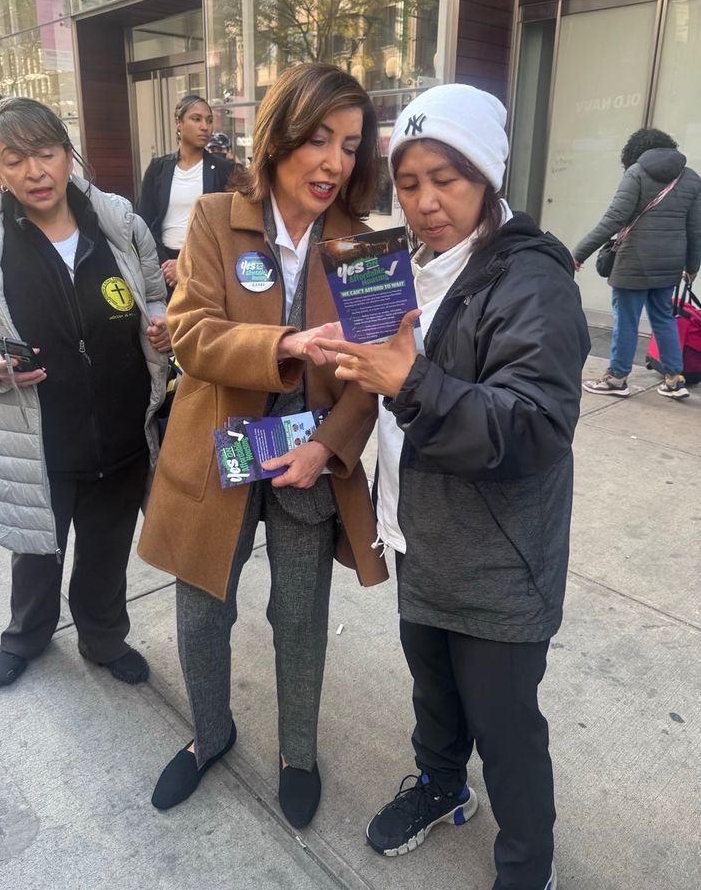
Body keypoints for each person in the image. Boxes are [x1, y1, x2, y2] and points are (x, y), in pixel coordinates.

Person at [314, 84, 590, 890]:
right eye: (409, 182)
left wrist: (411, 381)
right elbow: (396, 377)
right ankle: (441, 787)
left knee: (506, 730)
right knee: (434, 696)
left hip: (501, 561)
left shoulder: (532, 280)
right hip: (420, 536)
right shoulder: (410, 265)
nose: (427, 202)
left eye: (449, 179)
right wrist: (360, 361)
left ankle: (525, 866)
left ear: (488, 178)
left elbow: (534, 426)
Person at [138, 62, 388, 825]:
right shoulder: (217, 219)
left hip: (308, 456)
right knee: (202, 607)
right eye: (317, 139)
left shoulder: (362, 245)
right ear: (279, 136)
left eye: (348, 145)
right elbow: (191, 334)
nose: (333, 162)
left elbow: (374, 372)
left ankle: (298, 751)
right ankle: (209, 734)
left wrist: (328, 446)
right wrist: (286, 343)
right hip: (217, 449)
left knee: (300, 614)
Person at [0, 97, 170, 689]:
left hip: (123, 428)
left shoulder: (118, 224)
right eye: (15, 159)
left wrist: (161, 322)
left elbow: (154, 294)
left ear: (67, 155)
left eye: (46, 153)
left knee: (106, 551)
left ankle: (103, 638)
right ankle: (27, 635)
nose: (35, 171)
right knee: (37, 553)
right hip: (37, 433)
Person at [573, 128, 701, 400]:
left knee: (626, 320)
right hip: (670, 264)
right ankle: (674, 379)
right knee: (663, 318)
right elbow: (695, 229)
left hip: (634, 262)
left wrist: (578, 253)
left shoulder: (636, 173)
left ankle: (617, 378)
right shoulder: (691, 178)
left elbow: (614, 219)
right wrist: (692, 267)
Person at [138, 94, 235, 290]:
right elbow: (144, 222)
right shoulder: (158, 168)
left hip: (206, 267)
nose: (205, 127)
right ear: (178, 123)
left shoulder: (224, 170)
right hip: (163, 268)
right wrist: (166, 265)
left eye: (209, 120)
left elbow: (226, 227)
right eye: (196, 119)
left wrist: (184, 264)